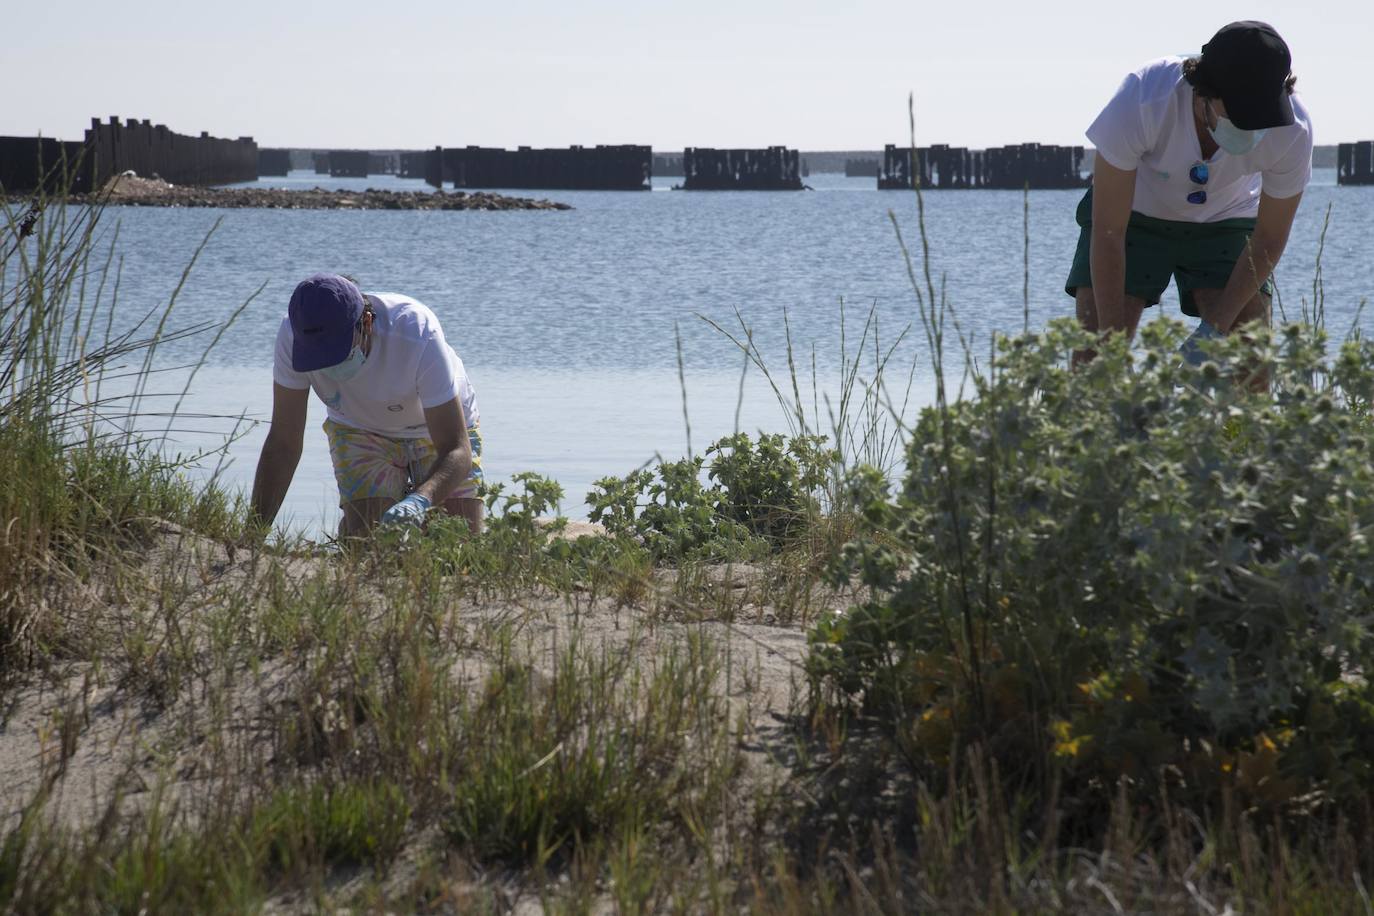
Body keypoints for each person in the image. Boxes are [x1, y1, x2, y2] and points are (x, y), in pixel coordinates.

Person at [1066, 21, 1313, 375]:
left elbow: (1269, 238)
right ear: (1204, 94)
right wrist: (1111, 348)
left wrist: (1215, 330)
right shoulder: (1143, 97)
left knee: (1249, 358)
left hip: (1227, 220)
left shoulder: (1294, 131)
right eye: (1242, 115)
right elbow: (1108, 231)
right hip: (1134, 215)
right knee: (1093, 362)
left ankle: (1234, 431)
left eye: (1263, 114)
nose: (1255, 126)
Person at [250, 273, 483, 537]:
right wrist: (252, 536)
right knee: (369, 547)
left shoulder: (416, 332)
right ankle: (352, 528)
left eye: (337, 352)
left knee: (458, 546)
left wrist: (421, 500)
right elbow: (283, 443)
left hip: (434, 429)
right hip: (359, 429)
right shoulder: (295, 337)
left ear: (367, 323)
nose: (329, 365)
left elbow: (456, 447)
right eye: (318, 356)